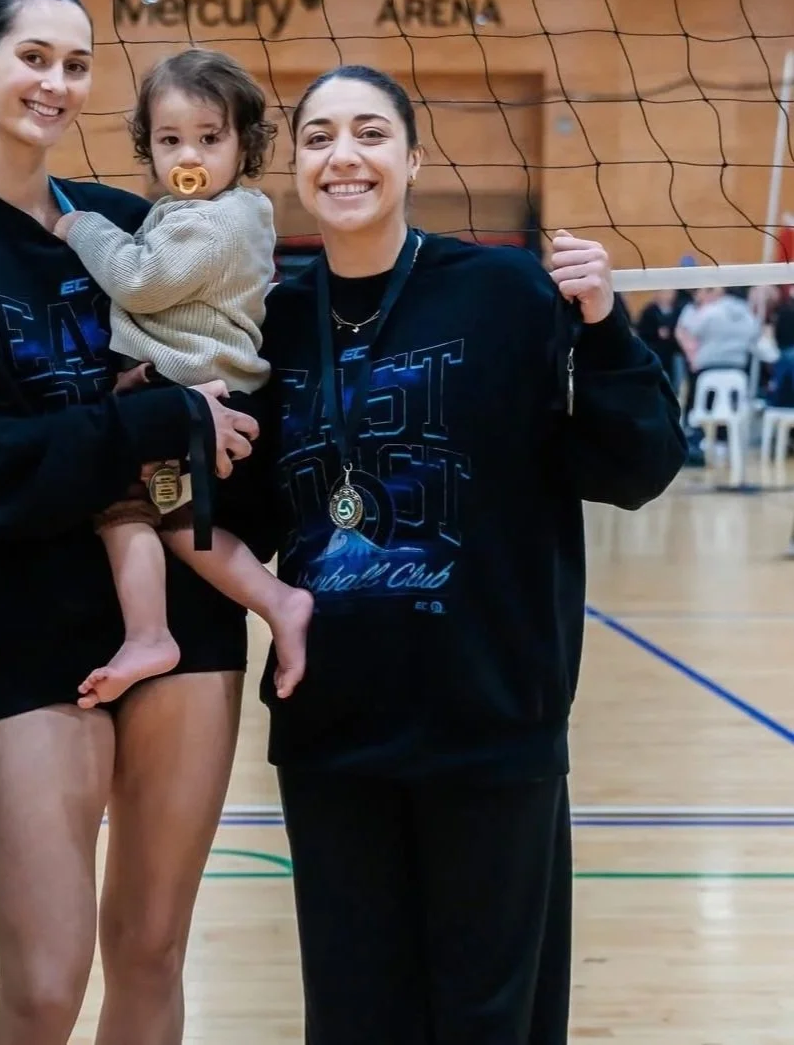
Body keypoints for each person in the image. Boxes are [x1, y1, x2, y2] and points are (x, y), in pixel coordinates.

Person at [220, 64, 687, 1045]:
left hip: (490, 724)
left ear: (413, 158)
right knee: (355, 1018)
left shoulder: (504, 292)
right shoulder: (270, 326)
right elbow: (235, 516)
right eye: (318, 138)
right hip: (334, 734)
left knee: (488, 1019)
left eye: (370, 133)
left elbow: (635, 465)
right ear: (296, 167)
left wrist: (605, 331)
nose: (343, 155)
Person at [0, 0, 260, 1045]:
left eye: (77, 65)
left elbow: (231, 377)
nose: (57, 82)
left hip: (182, 607)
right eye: (34, 56)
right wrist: (153, 421)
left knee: (154, 958)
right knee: (41, 988)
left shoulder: (133, 222)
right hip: (16, 620)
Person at [52, 48, 313, 706]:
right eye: (169, 140)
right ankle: (177, 624)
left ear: (245, 145)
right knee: (143, 510)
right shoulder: (196, 213)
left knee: (148, 513)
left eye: (208, 138)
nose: (188, 158)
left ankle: (235, 611)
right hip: (180, 389)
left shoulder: (217, 219)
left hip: (198, 398)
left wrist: (82, 227)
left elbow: (140, 280)